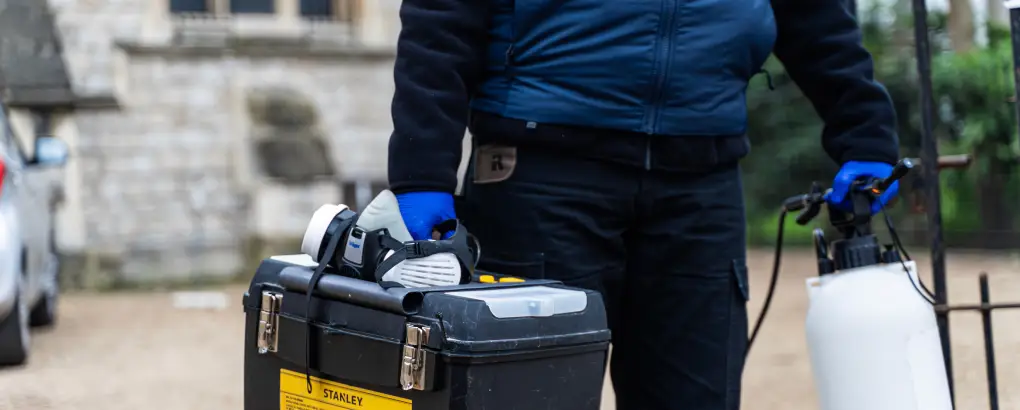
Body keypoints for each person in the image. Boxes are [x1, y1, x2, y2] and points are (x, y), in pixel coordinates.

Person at [386, 0, 901, 408]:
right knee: (527, 396)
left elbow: (816, 17)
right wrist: (421, 171)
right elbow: (442, 15)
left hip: (701, 182)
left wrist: (865, 134)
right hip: (538, 175)